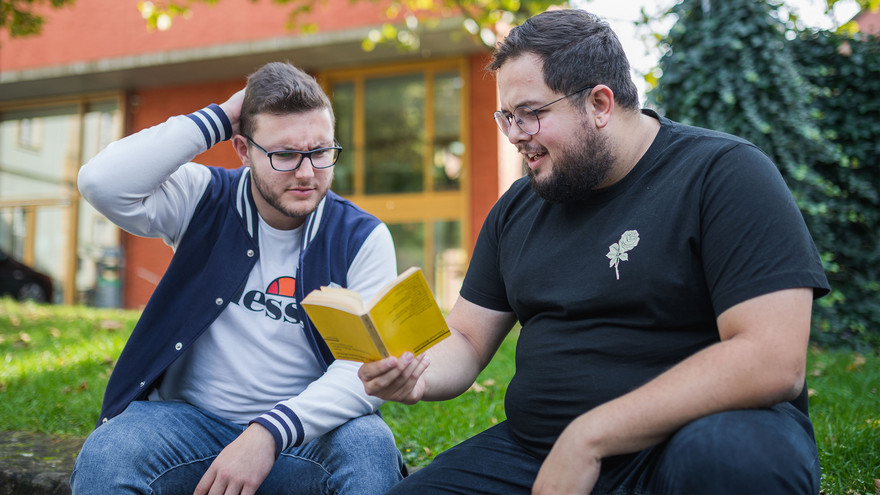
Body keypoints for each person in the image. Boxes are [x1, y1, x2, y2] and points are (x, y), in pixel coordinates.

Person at [359, 8, 830, 494]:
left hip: (698, 441)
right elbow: (468, 339)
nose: (516, 135)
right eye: (507, 117)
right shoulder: (518, 207)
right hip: (537, 455)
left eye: (532, 114)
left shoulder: (724, 174)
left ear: (600, 103)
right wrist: (414, 373)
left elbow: (771, 358)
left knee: (733, 467)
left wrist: (589, 437)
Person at [71, 62, 405, 495]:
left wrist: (268, 432)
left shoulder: (361, 236)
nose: (307, 173)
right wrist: (221, 115)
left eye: (321, 152)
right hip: (187, 426)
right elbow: (102, 182)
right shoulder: (202, 198)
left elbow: (364, 371)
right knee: (109, 454)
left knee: (369, 446)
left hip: (303, 437)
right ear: (243, 150)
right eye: (284, 155)